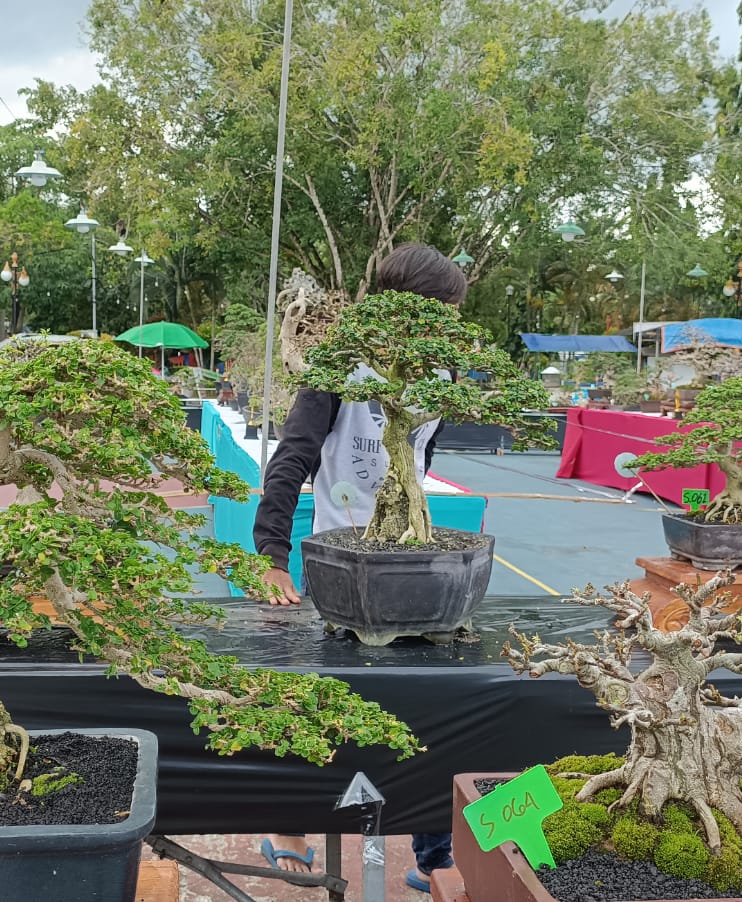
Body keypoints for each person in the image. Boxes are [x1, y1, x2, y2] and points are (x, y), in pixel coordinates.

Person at [251, 242, 464, 892]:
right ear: (405, 308)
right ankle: (289, 824)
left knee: (432, 708)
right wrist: (271, 556)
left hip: (413, 563)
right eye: (446, 313)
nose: (452, 328)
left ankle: (434, 855)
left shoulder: (445, 377)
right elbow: (292, 457)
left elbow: (421, 463)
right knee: (322, 706)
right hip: (341, 565)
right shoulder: (339, 369)